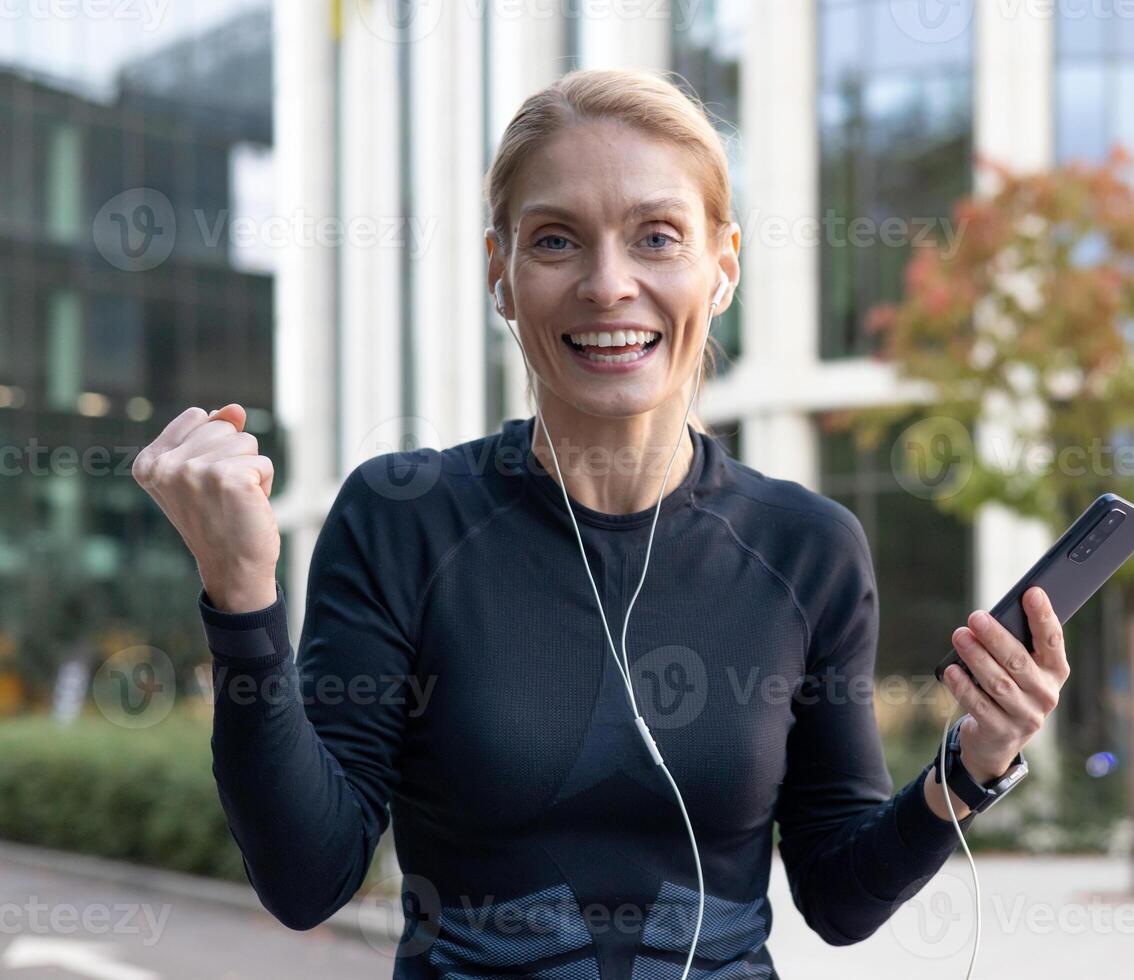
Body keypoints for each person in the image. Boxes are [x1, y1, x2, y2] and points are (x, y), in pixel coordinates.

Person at [132, 67, 1069, 980]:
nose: (608, 284)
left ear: (723, 267)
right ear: (501, 274)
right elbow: (306, 880)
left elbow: (838, 896)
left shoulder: (807, 546)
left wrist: (977, 761)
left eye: (658, 237)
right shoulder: (402, 519)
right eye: (556, 241)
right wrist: (242, 596)